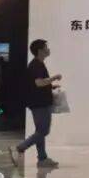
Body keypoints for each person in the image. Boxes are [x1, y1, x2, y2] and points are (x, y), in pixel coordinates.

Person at [9, 39, 61, 168]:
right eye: (46, 47)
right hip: (40, 104)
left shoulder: (38, 64)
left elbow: (38, 83)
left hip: (38, 103)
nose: (48, 49)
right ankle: (19, 148)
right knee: (43, 131)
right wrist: (54, 78)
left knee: (40, 131)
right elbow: (39, 83)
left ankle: (42, 159)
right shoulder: (36, 65)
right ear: (40, 51)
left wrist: (51, 86)